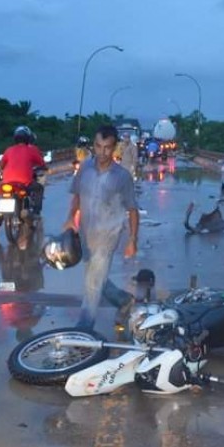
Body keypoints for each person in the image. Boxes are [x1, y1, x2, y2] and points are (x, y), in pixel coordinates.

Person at [63, 125, 139, 331]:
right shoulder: (85, 168)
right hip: (86, 234)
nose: (102, 152)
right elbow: (77, 195)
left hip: (108, 235)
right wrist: (71, 218)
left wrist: (132, 240)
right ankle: (124, 301)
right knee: (97, 279)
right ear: (93, 146)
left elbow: (132, 209)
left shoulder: (122, 176)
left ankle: (84, 327)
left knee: (92, 284)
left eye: (107, 147)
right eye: (98, 146)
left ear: (114, 148)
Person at [0, 126, 45, 236]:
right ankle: (35, 212)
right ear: (28, 139)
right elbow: (41, 164)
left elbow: (1, 165)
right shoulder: (31, 150)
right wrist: (44, 167)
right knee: (39, 188)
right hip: (24, 182)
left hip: (7, 182)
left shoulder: (8, 150)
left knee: (4, 197)